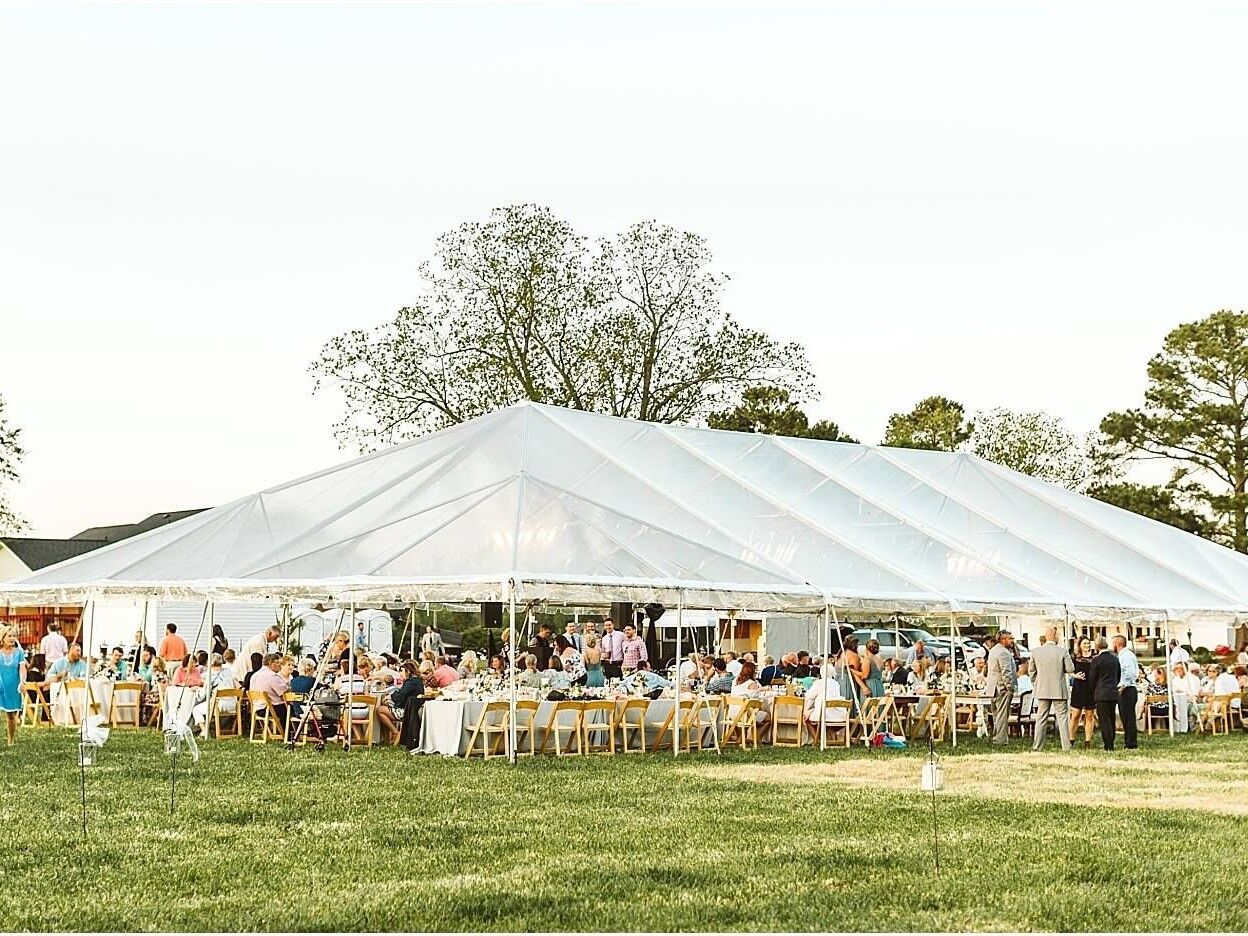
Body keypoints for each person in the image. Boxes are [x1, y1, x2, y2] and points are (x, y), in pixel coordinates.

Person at [1030, 625, 1074, 751]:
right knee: (1062, 718)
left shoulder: (1035, 652)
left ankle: (1037, 746)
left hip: (1042, 689)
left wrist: (1036, 683)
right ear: (1055, 636)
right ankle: (1066, 746)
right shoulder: (1062, 651)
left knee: (1041, 718)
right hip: (1058, 689)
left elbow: (1031, 672)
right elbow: (1070, 669)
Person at [984, 630, 1018, 746]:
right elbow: (1006, 672)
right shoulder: (1003, 652)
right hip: (1001, 688)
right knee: (1002, 715)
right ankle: (1001, 739)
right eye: (1010, 638)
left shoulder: (994, 650)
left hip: (993, 687)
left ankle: (996, 736)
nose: (1012, 641)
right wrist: (1010, 687)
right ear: (1003, 639)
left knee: (996, 714)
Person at [1088, 637, 1122, 751]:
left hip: (1101, 693)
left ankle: (1108, 744)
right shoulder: (1115, 659)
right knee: (1111, 718)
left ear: (1097, 647)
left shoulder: (1096, 660)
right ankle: (1111, 741)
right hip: (1112, 692)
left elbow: (1092, 679)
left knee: (1104, 720)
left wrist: (1095, 690)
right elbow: (1118, 675)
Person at [803, 662, 848, 740]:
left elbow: (809, 695)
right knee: (816, 713)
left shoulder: (819, 683)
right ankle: (830, 739)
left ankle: (816, 740)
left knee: (806, 718)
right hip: (839, 715)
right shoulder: (836, 683)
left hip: (823, 715)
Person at [390, 660, 427, 752]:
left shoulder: (410, 682)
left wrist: (392, 695)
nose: (400, 674)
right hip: (414, 710)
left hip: (407, 711)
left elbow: (399, 697)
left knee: (380, 710)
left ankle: (396, 732)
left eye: (402, 672)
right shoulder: (418, 681)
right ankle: (395, 733)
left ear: (408, 671)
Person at [0, 628, 28, 747]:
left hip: (13, 686)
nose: (12, 638)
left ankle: (11, 740)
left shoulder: (19, 652)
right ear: (3, 638)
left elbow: (22, 669)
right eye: (9, 636)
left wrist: (22, 681)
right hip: (1, 684)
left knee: (11, 715)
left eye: (14, 636)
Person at [1111, 634, 1139, 750]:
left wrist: (1122, 685)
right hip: (1128, 689)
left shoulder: (1125, 655)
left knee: (1128, 718)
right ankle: (1129, 741)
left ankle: (1131, 743)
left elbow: (1128, 672)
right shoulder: (1126, 654)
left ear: (1118, 644)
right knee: (1127, 717)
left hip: (1127, 689)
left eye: (1113, 643)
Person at [1067, 636, 1096, 747]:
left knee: (1089, 715)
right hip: (1078, 687)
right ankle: (1071, 739)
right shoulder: (1075, 657)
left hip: (1090, 688)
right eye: (1084, 643)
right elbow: (1068, 670)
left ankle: (1087, 741)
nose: (1087, 646)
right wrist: (1075, 676)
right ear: (1079, 645)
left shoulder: (1094, 657)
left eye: (1088, 643)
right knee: (1075, 715)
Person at [251, 653, 291, 727]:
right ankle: (288, 733)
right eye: (277, 663)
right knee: (290, 709)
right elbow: (285, 692)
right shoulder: (272, 676)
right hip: (270, 708)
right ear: (270, 663)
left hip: (257, 708)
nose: (279, 665)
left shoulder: (254, 675)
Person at [1171, 661, 1198, 733]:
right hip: (1177, 699)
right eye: (1176, 668)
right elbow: (1174, 690)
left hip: (1189, 700)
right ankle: (1176, 727)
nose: (1178, 670)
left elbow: (1194, 692)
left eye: (1181, 668)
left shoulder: (1192, 678)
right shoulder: (1176, 679)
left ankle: (1184, 728)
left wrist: (1183, 692)